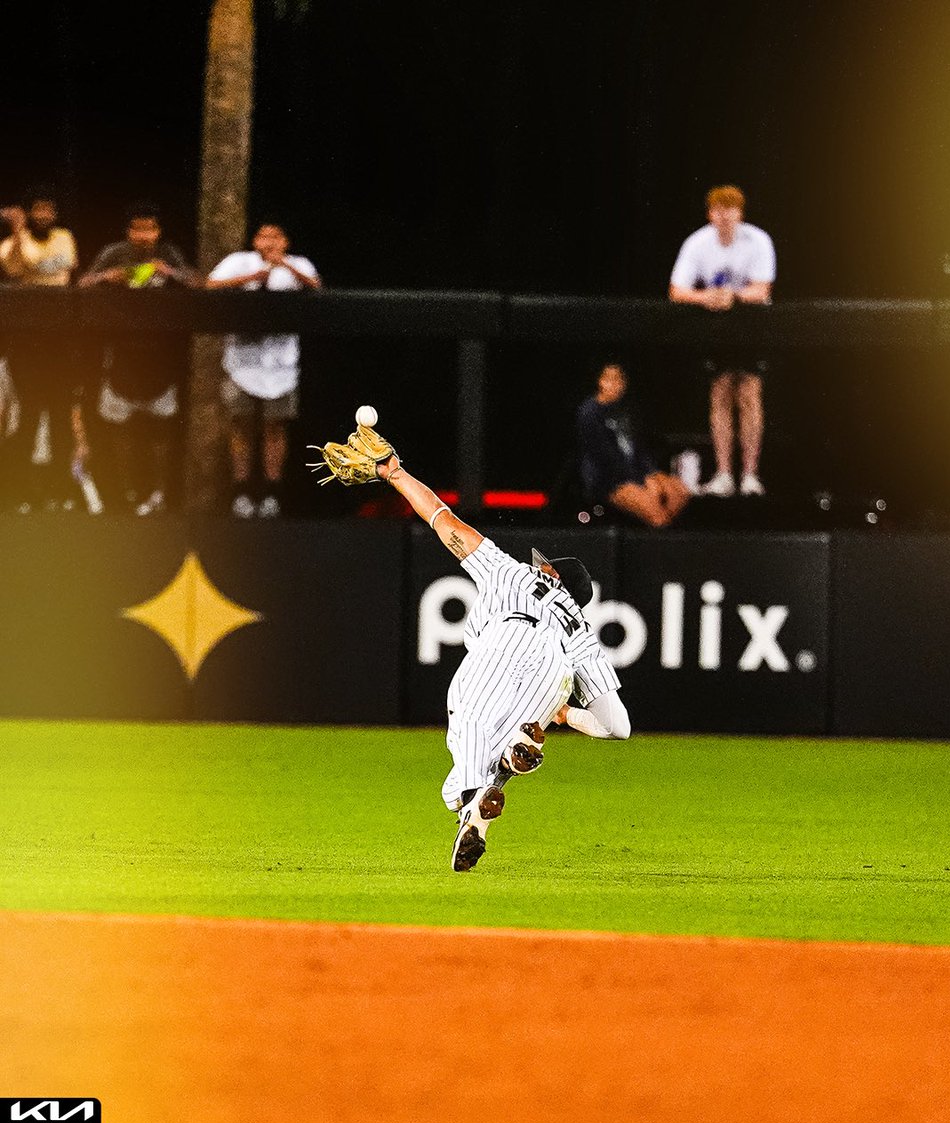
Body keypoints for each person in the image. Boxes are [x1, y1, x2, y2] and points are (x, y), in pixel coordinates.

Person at [312, 422, 631, 872]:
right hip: (555, 673)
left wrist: (393, 473)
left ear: (552, 574)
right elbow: (619, 726)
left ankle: (494, 774)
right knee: (467, 781)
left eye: (547, 565)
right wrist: (565, 715)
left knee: (466, 719)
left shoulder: (515, 573)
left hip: (506, 641)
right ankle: (484, 798)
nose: (540, 565)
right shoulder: (581, 629)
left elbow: (441, 518)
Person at [78, 205, 199, 515]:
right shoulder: (114, 253)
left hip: (160, 361)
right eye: (138, 229)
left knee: (160, 432)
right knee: (121, 432)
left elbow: (198, 283)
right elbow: (83, 284)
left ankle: (157, 494)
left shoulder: (168, 253)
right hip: (121, 358)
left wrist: (170, 273)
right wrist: (108, 276)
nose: (144, 236)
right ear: (128, 232)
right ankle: (126, 493)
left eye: (150, 229)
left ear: (158, 232)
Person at [207, 222, 321, 518]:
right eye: (263, 236)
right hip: (242, 361)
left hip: (280, 365)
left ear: (286, 242)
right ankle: (241, 491)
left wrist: (284, 266)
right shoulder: (239, 262)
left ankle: (272, 493)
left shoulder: (297, 264)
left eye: (275, 237)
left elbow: (315, 287)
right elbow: (211, 286)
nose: (269, 242)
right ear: (255, 241)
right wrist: (252, 277)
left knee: (275, 426)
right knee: (240, 425)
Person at [669, 184, 776, 497]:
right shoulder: (697, 243)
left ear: (740, 214)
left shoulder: (758, 240)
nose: (725, 216)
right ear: (710, 215)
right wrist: (705, 297)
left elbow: (762, 289)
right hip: (715, 324)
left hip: (752, 322)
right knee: (720, 393)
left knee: (749, 394)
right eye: (719, 210)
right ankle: (724, 474)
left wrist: (733, 296)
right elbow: (677, 291)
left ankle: (750, 474)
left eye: (731, 210)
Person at [0, 194, 81, 512]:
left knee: (60, 417)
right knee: (28, 416)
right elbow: (14, 267)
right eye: (37, 209)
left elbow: (57, 265)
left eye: (48, 209)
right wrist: (19, 232)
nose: (43, 215)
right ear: (29, 213)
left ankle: (60, 493)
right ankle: (18, 493)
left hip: (59, 342)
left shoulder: (64, 237)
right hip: (26, 344)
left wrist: (30, 268)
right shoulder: (11, 243)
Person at [576, 362, 690, 527]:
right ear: (600, 381)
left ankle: (663, 527)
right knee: (655, 509)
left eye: (620, 380)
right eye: (610, 379)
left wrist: (653, 473)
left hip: (636, 472)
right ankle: (659, 526)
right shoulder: (589, 413)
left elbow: (639, 449)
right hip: (609, 480)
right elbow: (605, 458)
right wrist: (642, 480)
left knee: (679, 492)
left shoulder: (626, 410)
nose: (616, 385)